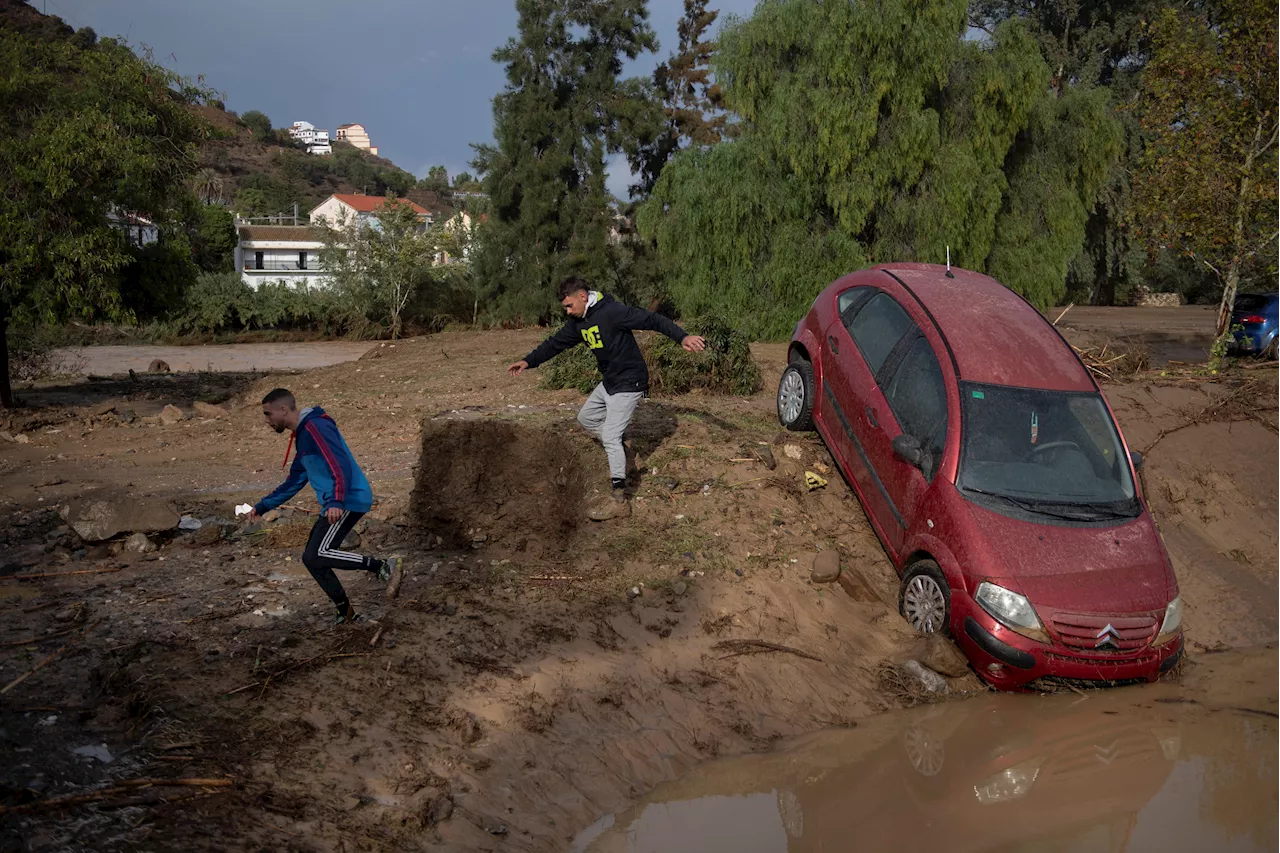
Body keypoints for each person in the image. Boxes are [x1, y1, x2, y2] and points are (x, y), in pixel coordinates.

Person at [507, 277, 706, 520]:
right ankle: (623, 454)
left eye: (569, 305)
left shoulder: (613, 312)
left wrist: (682, 337)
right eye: (565, 308)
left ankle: (619, 500)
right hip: (611, 380)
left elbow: (652, 319)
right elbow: (554, 344)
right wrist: (528, 361)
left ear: (582, 296)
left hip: (630, 380)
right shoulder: (578, 322)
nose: (568, 311)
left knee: (611, 435)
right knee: (586, 417)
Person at [247, 388, 402, 623]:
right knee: (312, 558)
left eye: (268, 414)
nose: (267, 420)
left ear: (283, 409)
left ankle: (381, 566)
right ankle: (345, 611)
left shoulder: (316, 427)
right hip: (336, 502)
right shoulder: (303, 435)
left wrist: (336, 500)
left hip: (348, 499)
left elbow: (339, 463)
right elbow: (295, 480)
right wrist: (262, 506)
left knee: (318, 553)